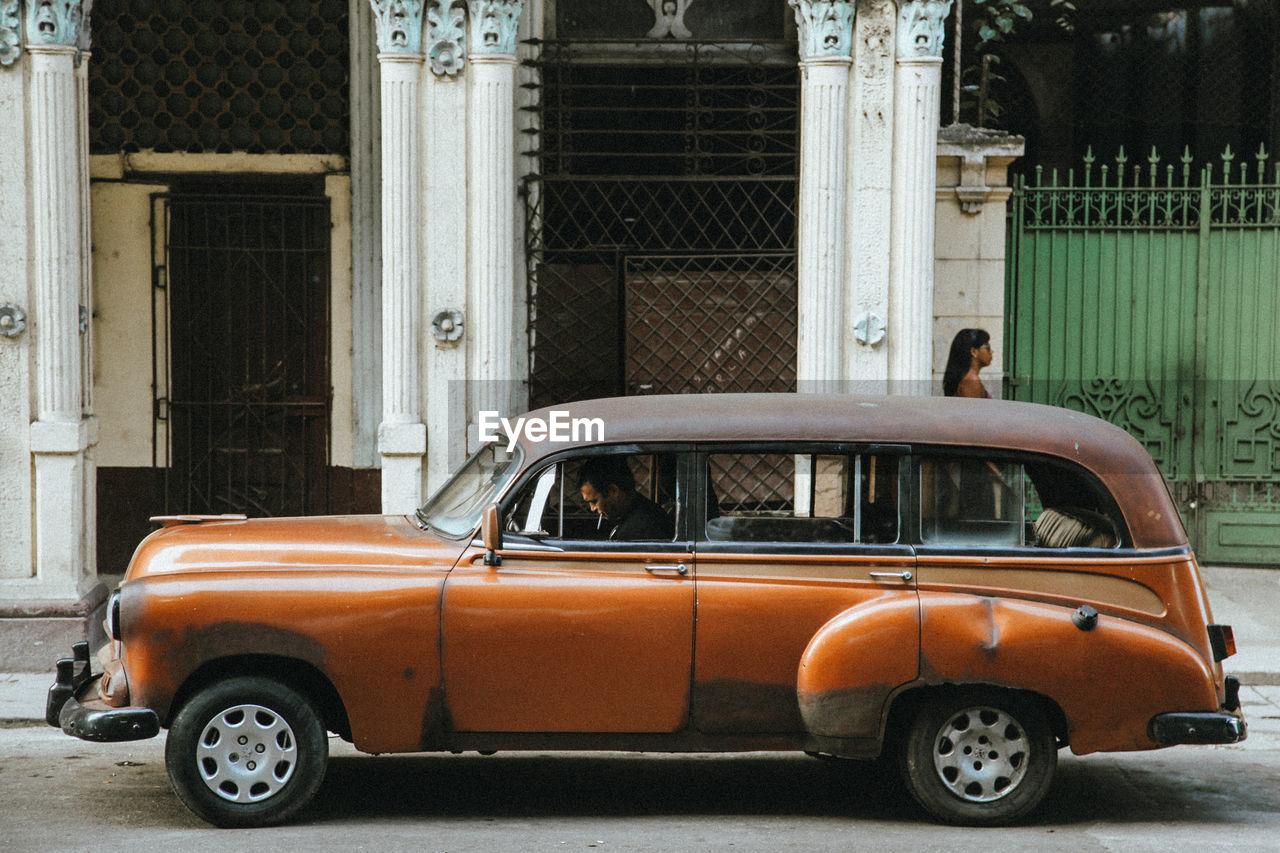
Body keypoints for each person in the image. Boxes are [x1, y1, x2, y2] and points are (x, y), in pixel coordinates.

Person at [578, 456, 674, 541]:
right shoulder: (639, 511)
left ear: (613, 491)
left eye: (594, 501)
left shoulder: (639, 530)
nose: (592, 508)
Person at [943, 328, 994, 398]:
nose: (991, 351)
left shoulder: (967, 378)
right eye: (988, 347)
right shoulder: (972, 381)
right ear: (974, 352)